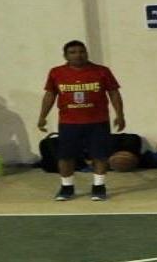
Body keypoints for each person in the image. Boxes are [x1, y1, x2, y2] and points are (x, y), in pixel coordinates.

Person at [37, 39, 126, 202]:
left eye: (81, 51)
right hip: (69, 123)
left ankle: (99, 186)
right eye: (73, 52)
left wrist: (120, 115)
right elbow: (50, 95)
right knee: (65, 156)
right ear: (65, 56)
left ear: (86, 53)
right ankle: (67, 187)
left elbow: (114, 93)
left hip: (97, 121)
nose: (78, 55)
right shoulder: (56, 72)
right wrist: (42, 116)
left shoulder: (102, 71)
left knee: (99, 155)